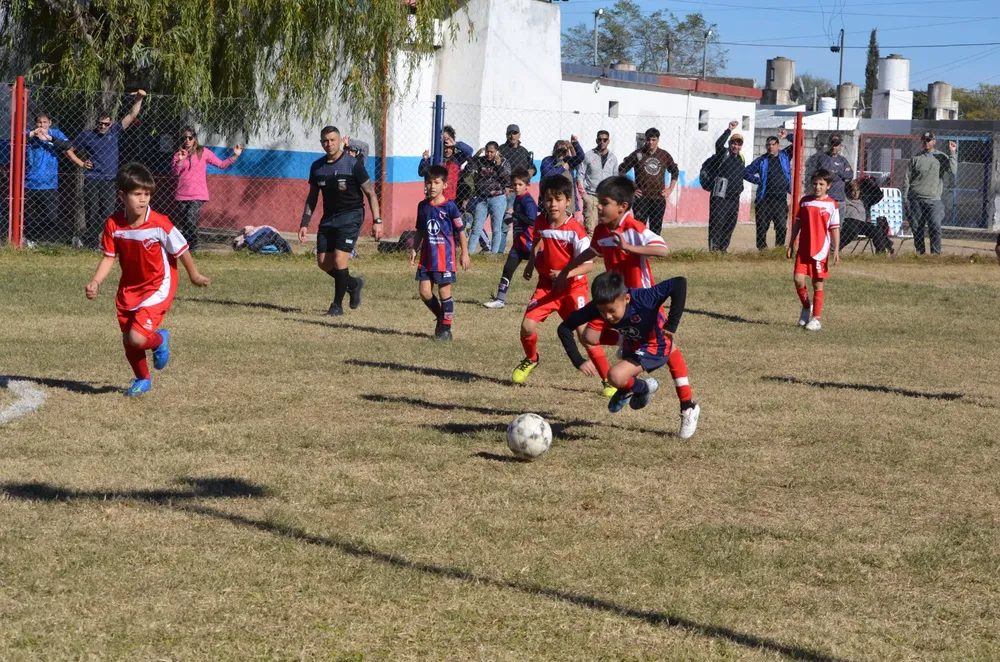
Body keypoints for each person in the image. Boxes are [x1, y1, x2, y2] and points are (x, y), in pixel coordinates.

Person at [84, 162, 210, 396]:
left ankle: (159, 340)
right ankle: (142, 378)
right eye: (137, 194)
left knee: (137, 337)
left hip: (158, 286)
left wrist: (194, 275)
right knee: (128, 339)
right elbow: (109, 257)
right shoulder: (113, 224)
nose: (143, 200)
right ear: (122, 195)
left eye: (147, 194)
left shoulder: (160, 223)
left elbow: (181, 249)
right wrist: (96, 281)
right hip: (130, 289)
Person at [556, 175, 682, 402]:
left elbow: (663, 250)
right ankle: (632, 354)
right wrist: (567, 269)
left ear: (622, 206)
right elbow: (591, 253)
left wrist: (629, 247)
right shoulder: (602, 230)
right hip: (614, 300)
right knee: (590, 336)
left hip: (641, 301)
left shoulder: (634, 228)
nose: (599, 207)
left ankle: (687, 403)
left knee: (668, 346)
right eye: (599, 202)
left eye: (604, 203)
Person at [556, 270, 699, 439]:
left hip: (656, 342)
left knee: (614, 376)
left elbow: (679, 282)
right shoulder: (600, 306)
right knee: (588, 336)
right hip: (633, 340)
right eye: (602, 311)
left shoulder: (644, 297)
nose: (607, 316)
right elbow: (564, 328)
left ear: (626, 298)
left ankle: (687, 406)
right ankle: (640, 388)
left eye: (611, 310)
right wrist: (578, 361)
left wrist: (672, 323)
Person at [511, 176, 599, 391]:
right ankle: (531, 359)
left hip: (572, 288)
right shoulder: (541, 221)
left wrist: (564, 273)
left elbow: (589, 266)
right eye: (549, 199)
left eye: (558, 199)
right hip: (547, 287)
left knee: (584, 334)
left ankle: (607, 376)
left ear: (568, 201)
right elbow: (536, 241)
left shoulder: (576, 230)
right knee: (526, 326)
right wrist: (531, 263)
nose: (553, 204)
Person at [298, 125, 383, 316]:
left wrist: (377, 220)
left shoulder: (353, 165)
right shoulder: (317, 167)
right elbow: (312, 197)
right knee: (323, 262)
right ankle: (353, 284)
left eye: (333, 140)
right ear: (321, 143)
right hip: (329, 218)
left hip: (352, 215)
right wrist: (304, 222)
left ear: (340, 142)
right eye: (325, 141)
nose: (329, 144)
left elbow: (370, 193)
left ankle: (337, 306)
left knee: (339, 259)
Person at [66, 90, 147, 249]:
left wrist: (139, 98)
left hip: (110, 179)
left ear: (110, 124)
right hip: (92, 178)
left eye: (106, 124)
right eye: (100, 123)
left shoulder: (115, 130)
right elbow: (69, 149)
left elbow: (131, 115)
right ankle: (91, 242)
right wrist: (81, 163)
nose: (103, 126)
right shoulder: (87, 135)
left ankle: (85, 238)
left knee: (107, 212)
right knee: (93, 212)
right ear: (96, 123)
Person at [409, 165, 471, 341]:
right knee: (424, 292)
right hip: (427, 257)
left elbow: (460, 230)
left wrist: (464, 253)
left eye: (436, 182)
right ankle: (442, 318)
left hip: (445, 258)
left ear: (444, 185)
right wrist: (415, 248)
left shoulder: (450, 207)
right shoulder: (422, 206)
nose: (432, 186)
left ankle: (445, 330)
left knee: (444, 293)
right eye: (428, 182)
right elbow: (420, 230)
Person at [171, 126, 244, 252]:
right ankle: (185, 247)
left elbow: (221, 164)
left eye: (190, 137)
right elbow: (175, 173)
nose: (187, 140)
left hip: (198, 194)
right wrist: (180, 161)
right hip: (182, 193)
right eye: (185, 138)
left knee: (190, 217)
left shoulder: (203, 152)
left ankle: (193, 246)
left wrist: (235, 155)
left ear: (195, 138)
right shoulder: (179, 154)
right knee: (184, 221)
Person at [788, 169, 840, 332]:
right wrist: (791, 242)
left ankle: (816, 319)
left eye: (821, 184)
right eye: (815, 183)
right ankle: (806, 307)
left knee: (817, 283)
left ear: (828, 186)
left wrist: (836, 249)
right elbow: (797, 223)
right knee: (798, 279)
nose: (817, 187)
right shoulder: (805, 202)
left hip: (820, 251)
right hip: (804, 249)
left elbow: (834, 228)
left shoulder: (832, 205)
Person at [484, 168, 537, 310]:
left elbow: (532, 221)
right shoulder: (518, 199)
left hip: (531, 244)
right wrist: (513, 220)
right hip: (519, 244)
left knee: (545, 273)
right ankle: (500, 300)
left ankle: (557, 296)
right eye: (514, 185)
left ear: (527, 185)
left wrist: (515, 215)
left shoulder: (528, 201)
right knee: (508, 269)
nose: (517, 187)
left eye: (520, 184)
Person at [903, 131, 957, 255]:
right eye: (924, 140)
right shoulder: (916, 158)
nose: (926, 142)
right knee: (917, 228)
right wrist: (906, 198)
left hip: (933, 200)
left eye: (928, 140)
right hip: (915, 199)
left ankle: (935, 254)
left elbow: (953, 171)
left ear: (934, 141)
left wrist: (952, 153)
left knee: (935, 226)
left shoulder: (941, 157)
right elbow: (907, 180)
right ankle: (920, 253)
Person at [617, 127, 679, 236]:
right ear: (645, 139)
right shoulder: (638, 154)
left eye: (653, 140)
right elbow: (621, 170)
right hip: (641, 198)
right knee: (639, 228)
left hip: (658, 197)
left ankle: (653, 250)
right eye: (648, 140)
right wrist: (632, 188)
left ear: (658, 140)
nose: (651, 142)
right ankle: (638, 250)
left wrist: (670, 189)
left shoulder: (664, 155)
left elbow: (675, 172)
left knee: (656, 229)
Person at [24, 113, 71, 244]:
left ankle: (41, 239)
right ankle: (30, 240)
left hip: (50, 183)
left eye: (45, 122)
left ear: (50, 123)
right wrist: (33, 133)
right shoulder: (30, 133)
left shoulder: (55, 133)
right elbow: (18, 139)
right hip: (30, 183)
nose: (42, 125)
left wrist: (49, 138)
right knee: (31, 217)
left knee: (51, 217)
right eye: (39, 122)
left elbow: (68, 145)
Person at [744, 128, 794, 250]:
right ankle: (762, 250)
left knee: (781, 226)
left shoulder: (785, 155)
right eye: (768, 145)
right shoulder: (762, 160)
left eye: (773, 144)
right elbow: (745, 172)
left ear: (778, 145)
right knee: (762, 226)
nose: (770, 147)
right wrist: (758, 181)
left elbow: (798, 144)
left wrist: (788, 135)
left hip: (780, 199)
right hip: (764, 199)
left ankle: (779, 249)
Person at [706, 121, 746, 252]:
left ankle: (723, 248)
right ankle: (714, 249)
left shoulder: (741, 158)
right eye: (734, 143)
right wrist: (728, 130)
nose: (736, 146)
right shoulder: (723, 154)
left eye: (739, 144)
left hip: (734, 197)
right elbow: (718, 144)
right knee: (717, 222)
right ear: (729, 144)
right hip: (720, 197)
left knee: (730, 223)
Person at [465, 142, 511, 255]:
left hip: (498, 198)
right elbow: (468, 168)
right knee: (477, 227)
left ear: (497, 151)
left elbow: (507, 181)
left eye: (492, 152)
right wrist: (475, 156)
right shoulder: (481, 160)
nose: (489, 154)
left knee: (496, 228)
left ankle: (493, 254)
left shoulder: (503, 161)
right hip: (482, 198)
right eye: (487, 151)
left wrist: (499, 165)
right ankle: (469, 253)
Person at [579, 130, 618, 234]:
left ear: (608, 141)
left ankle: (603, 250)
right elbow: (580, 175)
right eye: (600, 139)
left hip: (607, 198)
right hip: (591, 196)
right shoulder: (588, 155)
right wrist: (584, 196)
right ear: (596, 140)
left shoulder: (613, 158)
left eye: (605, 140)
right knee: (590, 230)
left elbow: (615, 179)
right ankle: (588, 250)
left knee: (606, 230)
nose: (602, 142)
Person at [804, 134, 853, 206]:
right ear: (829, 144)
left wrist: (837, 172)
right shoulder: (822, 158)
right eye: (832, 144)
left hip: (840, 199)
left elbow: (850, 175)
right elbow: (825, 175)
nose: (834, 147)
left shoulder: (843, 160)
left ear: (840, 146)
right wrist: (841, 174)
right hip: (825, 199)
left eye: (836, 145)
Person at [540, 137, 585, 214]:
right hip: (552, 200)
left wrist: (575, 144)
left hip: (567, 202)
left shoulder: (568, 161)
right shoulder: (547, 160)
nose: (561, 153)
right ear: (554, 151)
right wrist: (563, 168)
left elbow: (581, 156)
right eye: (558, 151)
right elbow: (547, 174)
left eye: (563, 151)